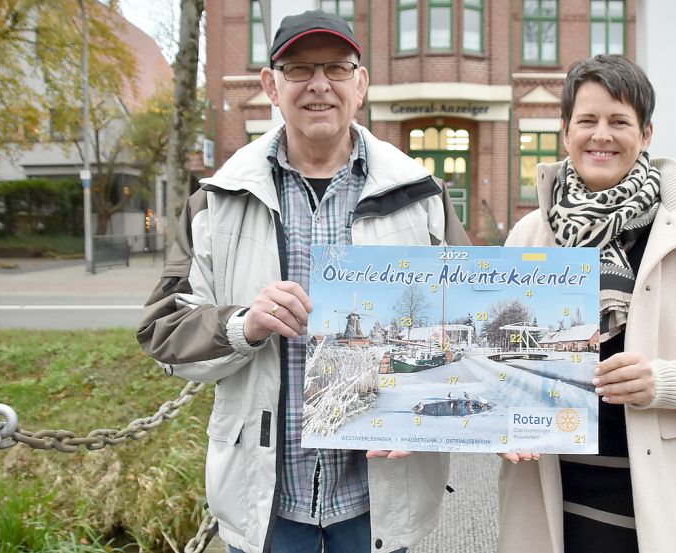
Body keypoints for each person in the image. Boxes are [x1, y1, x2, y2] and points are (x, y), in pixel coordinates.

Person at [137, 10, 467, 553]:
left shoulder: (421, 196)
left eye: (336, 68)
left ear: (360, 83)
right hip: (267, 504)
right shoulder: (216, 202)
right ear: (271, 84)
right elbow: (165, 333)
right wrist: (244, 326)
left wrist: (421, 412)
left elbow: (461, 328)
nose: (319, 85)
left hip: (377, 503)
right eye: (298, 69)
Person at [496, 55, 676, 553]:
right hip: (554, 488)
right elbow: (502, 357)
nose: (602, 135)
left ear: (645, 134)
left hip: (653, 493)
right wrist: (503, 420)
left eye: (620, 121)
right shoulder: (529, 235)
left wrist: (663, 381)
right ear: (565, 132)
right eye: (588, 121)